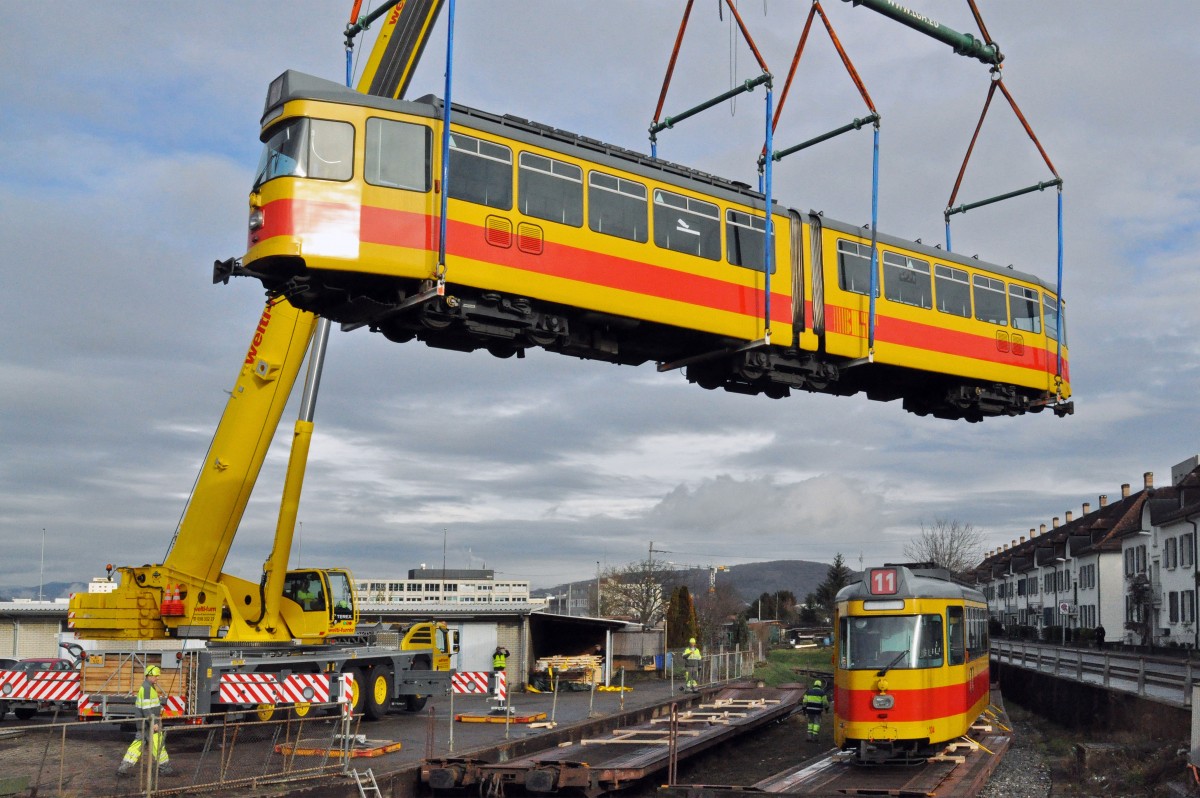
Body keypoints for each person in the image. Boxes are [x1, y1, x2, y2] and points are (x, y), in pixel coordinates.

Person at [117, 664, 174, 777]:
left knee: (138, 745)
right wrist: (153, 723)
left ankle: (123, 767)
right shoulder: (147, 688)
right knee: (158, 745)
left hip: (145, 723)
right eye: (156, 676)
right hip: (149, 723)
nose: (157, 678)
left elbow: (149, 706)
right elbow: (146, 708)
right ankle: (164, 768)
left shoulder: (148, 687)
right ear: (149, 675)